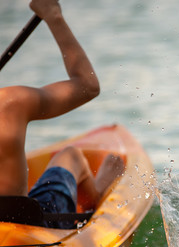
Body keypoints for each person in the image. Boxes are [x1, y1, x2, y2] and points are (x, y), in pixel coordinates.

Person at [0, 0, 124, 228]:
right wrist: (52, 15)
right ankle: (96, 193)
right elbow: (88, 86)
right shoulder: (9, 103)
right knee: (71, 156)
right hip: (24, 233)